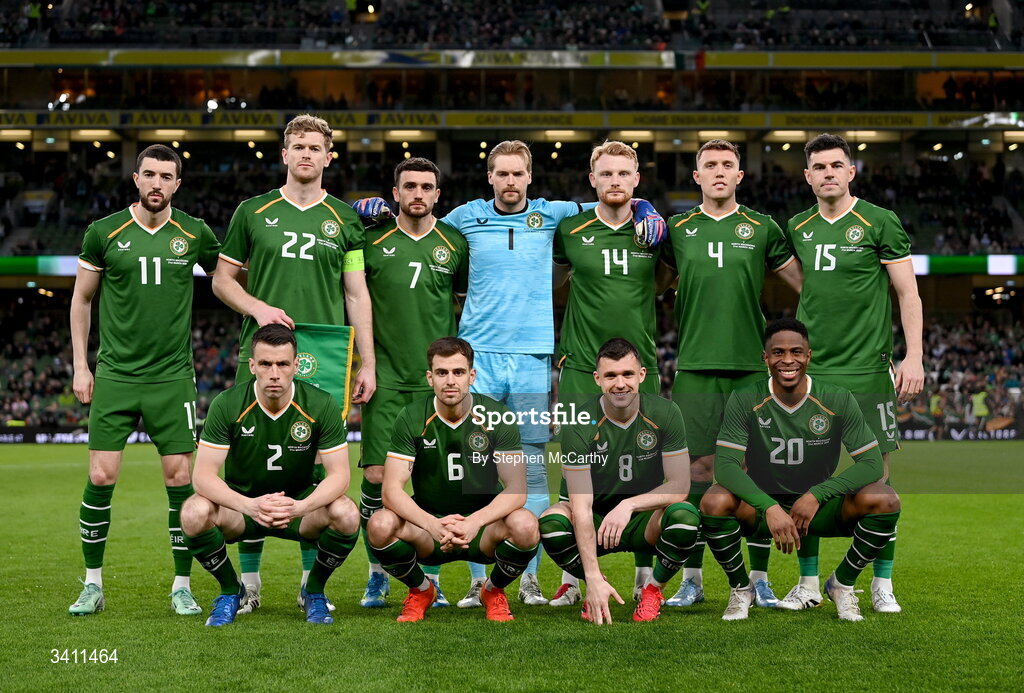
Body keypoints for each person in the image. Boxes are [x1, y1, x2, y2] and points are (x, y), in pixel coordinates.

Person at [357, 140, 665, 608]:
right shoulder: (462, 218)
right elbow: (415, 227)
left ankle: (528, 576)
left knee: (533, 468)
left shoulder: (554, 214)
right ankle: (480, 579)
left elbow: (611, 194)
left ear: (529, 177)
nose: (510, 182)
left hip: (531, 357)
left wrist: (646, 205)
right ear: (490, 178)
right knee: (477, 469)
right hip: (478, 357)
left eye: (517, 174)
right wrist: (366, 209)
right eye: (501, 174)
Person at [212, 114, 375, 612]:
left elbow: (355, 291)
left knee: (310, 469)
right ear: (284, 154)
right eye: (297, 146)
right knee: (250, 467)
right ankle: (250, 584)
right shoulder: (252, 212)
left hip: (324, 353)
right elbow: (222, 281)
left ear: (329, 157)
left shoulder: (345, 219)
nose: (306, 154)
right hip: (261, 352)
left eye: (315, 147)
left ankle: (309, 585)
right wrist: (258, 308)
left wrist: (366, 362)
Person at [69, 144, 220, 616]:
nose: (157, 183)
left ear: (178, 184)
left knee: (180, 479)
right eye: (149, 175)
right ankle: (92, 584)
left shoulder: (195, 232)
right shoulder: (104, 231)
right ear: (136, 179)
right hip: (115, 373)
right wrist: (80, 365)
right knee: (100, 474)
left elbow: (229, 279)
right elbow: (80, 302)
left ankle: (181, 585)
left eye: (166, 177)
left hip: (172, 377)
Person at [781, 133, 923, 614]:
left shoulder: (879, 221)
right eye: (818, 167)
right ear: (807, 176)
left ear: (851, 172)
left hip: (867, 369)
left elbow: (908, 294)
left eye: (836, 165)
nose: (827, 174)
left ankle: (876, 582)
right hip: (812, 371)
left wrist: (914, 356)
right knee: (805, 477)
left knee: (878, 482)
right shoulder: (797, 225)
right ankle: (806, 583)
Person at [660, 139, 802, 610]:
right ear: (696, 176)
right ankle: (693, 579)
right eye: (709, 165)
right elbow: (646, 285)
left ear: (740, 175)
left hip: (749, 370)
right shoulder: (676, 230)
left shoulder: (763, 228)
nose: (719, 171)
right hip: (695, 369)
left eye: (727, 164)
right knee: (694, 477)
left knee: (755, 475)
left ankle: (759, 580)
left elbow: (808, 286)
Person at [702, 318, 901, 622]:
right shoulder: (745, 398)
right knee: (713, 500)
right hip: (764, 508)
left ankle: (841, 583)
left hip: (818, 507)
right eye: (778, 353)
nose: (788, 360)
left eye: (796, 352)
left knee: (885, 498)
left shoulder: (836, 398)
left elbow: (873, 464)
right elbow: (726, 467)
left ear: (809, 355)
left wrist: (818, 494)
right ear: (765, 358)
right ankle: (742, 589)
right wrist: (768, 506)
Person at [548, 141, 666, 607]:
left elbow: (669, 280)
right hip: (580, 365)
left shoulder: (655, 232)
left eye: (624, 173)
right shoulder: (571, 229)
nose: (615, 180)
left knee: (645, 465)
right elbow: (555, 280)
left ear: (636, 180)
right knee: (574, 473)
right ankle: (574, 578)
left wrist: (650, 211)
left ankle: (642, 574)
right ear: (592, 180)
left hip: (642, 368)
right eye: (606, 174)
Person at [181, 325, 360, 626]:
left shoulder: (320, 404)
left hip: (299, 508)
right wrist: (250, 506)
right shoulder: (227, 404)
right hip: (243, 509)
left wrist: (299, 507)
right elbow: (203, 477)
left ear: (296, 365)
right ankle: (230, 590)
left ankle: (313, 591)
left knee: (347, 513)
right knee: (193, 512)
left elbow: (340, 476)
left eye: (282, 364)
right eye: (265, 364)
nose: (274, 373)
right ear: (252, 366)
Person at [358, 157, 469, 609]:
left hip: (435, 382)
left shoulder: (454, 243)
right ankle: (376, 574)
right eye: (410, 186)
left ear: (438, 195)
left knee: (432, 482)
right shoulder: (370, 240)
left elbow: (464, 298)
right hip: (385, 378)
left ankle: (432, 580)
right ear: (396, 193)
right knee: (377, 476)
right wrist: (354, 208)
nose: (418, 193)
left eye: (427, 186)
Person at [366, 337, 540, 622]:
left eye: (458, 372)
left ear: (472, 376)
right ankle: (422, 590)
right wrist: (432, 524)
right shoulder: (411, 417)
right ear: (429, 377)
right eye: (442, 372)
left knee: (526, 524)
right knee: (380, 524)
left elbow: (517, 490)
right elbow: (391, 491)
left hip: (483, 529)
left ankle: (493, 590)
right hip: (429, 528)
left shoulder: (497, 416)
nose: (450, 380)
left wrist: (473, 522)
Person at [540, 338, 699, 624]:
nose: (620, 384)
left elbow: (680, 486)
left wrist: (628, 505)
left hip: (641, 519)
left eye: (627, 374)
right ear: (597, 379)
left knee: (685, 517)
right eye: (611, 376)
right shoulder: (579, 422)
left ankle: (653, 590)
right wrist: (591, 578)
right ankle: (598, 584)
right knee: (552, 523)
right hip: (596, 518)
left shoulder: (665, 413)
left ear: (641, 375)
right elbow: (581, 505)